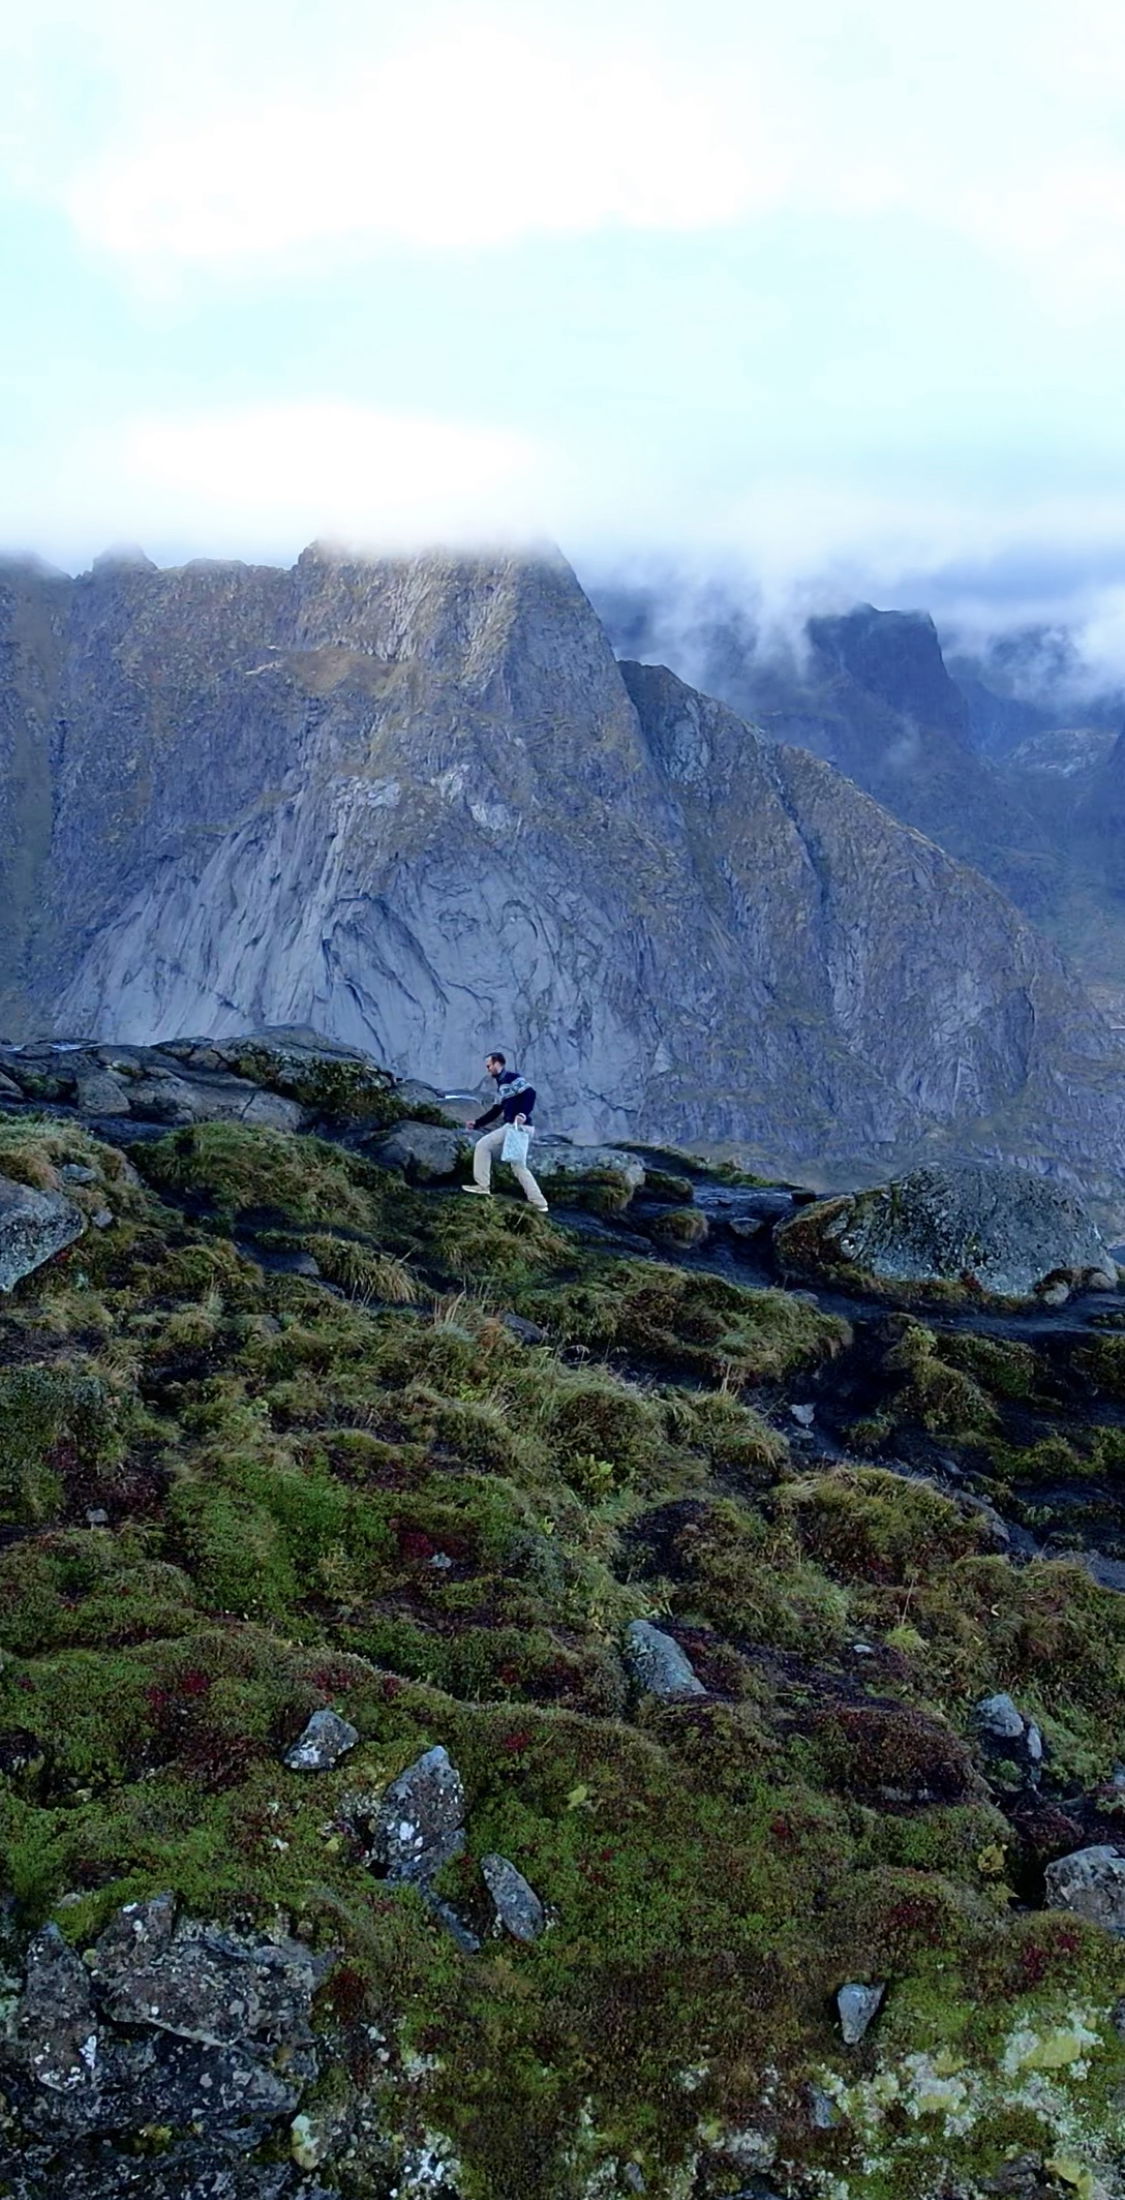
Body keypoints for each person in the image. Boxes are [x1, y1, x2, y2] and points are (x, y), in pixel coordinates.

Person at [462, 1052, 549, 1212]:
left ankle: (483, 1186)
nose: (488, 1070)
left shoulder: (511, 1078)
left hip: (516, 1127)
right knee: (517, 1166)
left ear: (497, 1064)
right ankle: (540, 1203)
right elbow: (496, 1110)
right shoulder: (502, 1086)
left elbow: (530, 1093)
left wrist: (522, 1114)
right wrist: (477, 1123)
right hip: (519, 1128)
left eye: (489, 1066)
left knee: (483, 1145)